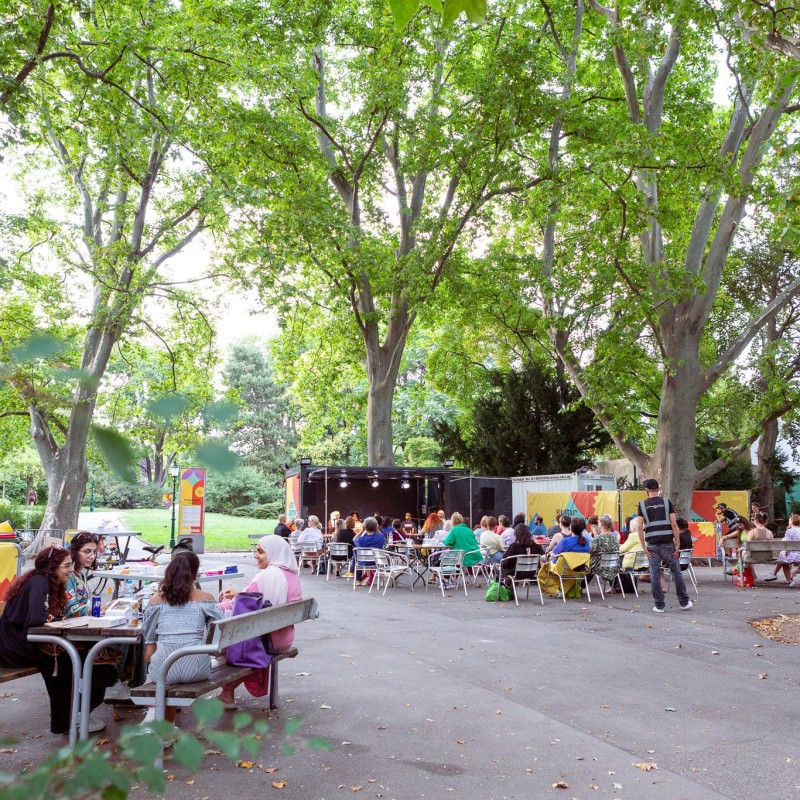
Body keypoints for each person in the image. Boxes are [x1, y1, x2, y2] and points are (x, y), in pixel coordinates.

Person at [0, 546, 110, 735]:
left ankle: (74, 716)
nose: (70, 569)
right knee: (66, 661)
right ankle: (69, 719)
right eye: (66, 566)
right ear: (52, 567)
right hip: (12, 648)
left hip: (24, 641)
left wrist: (61, 621)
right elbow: (35, 619)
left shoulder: (47, 582)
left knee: (87, 656)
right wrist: (60, 622)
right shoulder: (39, 582)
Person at [218, 537, 302, 709]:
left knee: (219, 642)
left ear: (274, 553)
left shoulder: (266, 577)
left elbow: (238, 608)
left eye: (261, 552)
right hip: (283, 638)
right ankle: (227, 693)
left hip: (264, 641)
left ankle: (225, 692)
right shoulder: (292, 576)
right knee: (242, 636)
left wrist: (217, 606)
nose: (256, 555)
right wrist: (239, 594)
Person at [143, 552, 222, 725]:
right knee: (172, 671)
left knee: (159, 669)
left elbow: (148, 655)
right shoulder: (205, 599)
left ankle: (155, 720)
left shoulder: (156, 602)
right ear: (195, 574)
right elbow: (218, 639)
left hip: (163, 671)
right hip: (197, 669)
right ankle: (164, 728)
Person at [636, 478, 692, 613]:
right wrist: (677, 543)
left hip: (652, 544)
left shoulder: (642, 505)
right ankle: (684, 602)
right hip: (667, 543)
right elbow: (674, 524)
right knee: (675, 571)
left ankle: (659, 605)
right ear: (658, 489)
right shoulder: (667, 503)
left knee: (655, 574)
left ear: (646, 490)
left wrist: (643, 546)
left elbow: (639, 526)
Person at [764, 512, 800, 584]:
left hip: (794, 556)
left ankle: (785, 579)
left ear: (792, 521)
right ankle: (774, 574)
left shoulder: (789, 531)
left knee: (783, 556)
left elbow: (786, 544)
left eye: (789, 520)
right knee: (783, 556)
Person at [354, 516, 386, 586]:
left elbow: (354, 539)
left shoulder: (361, 540)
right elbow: (383, 538)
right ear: (376, 526)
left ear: (365, 527)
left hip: (363, 562)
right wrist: (377, 529)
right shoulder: (380, 538)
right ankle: (367, 578)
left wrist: (362, 530)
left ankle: (359, 579)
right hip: (376, 562)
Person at [590, 514, 620, 581]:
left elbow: (589, 551)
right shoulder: (615, 538)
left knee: (587, 564)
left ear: (601, 524)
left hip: (599, 567)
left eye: (598, 521)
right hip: (613, 567)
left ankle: (581, 586)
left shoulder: (598, 539)